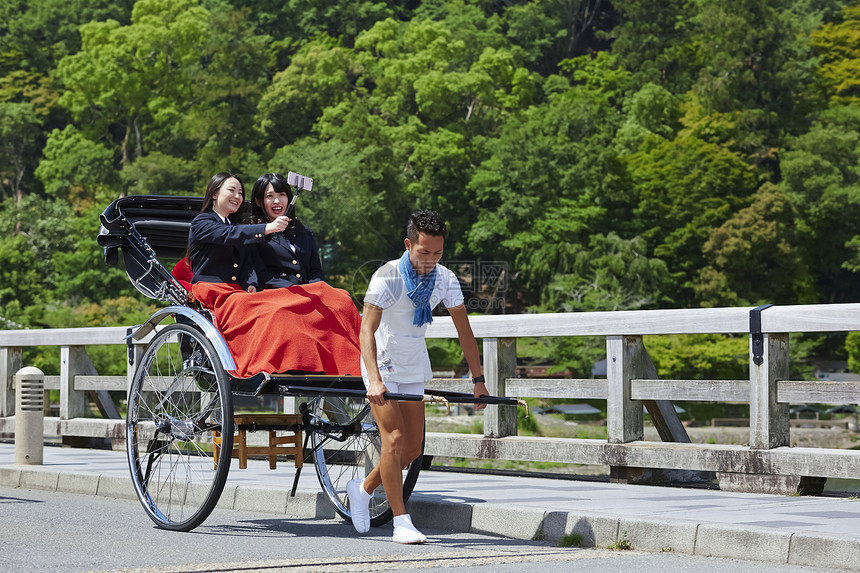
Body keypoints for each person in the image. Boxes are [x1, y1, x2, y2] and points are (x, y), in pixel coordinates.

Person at [348, 209, 489, 544]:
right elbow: (366, 331)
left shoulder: (445, 279)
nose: (430, 260)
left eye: (438, 253)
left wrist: (478, 379)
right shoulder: (387, 277)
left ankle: (363, 488)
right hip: (380, 362)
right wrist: (375, 378)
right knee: (393, 440)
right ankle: (401, 520)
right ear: (408, 244)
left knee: (411, 449)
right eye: (424, 252)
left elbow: (464, 332)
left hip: (412, 362)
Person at [187, 172, 362, 379]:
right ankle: (280, 365)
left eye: (240, 192)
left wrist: (249, 282)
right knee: (277, 312)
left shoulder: (244, 227)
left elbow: (245, 264)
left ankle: (355, 362)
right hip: (213, 291)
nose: (237, 196)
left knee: (340, 299)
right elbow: (230, 237)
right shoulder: (203, 222)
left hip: (239, 292)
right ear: (215, 193)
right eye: (231, 190)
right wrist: (267, 229)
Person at [249, 172, 324, 288]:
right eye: (269, 196)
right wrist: (294, 289)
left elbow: (316, 271)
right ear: (258, 201)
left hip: (310, 294)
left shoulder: (305, 232)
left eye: (282, 195)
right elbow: (261, 274)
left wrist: (315, 289)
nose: (277, 201)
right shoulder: (253, 234)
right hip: (277, 297)